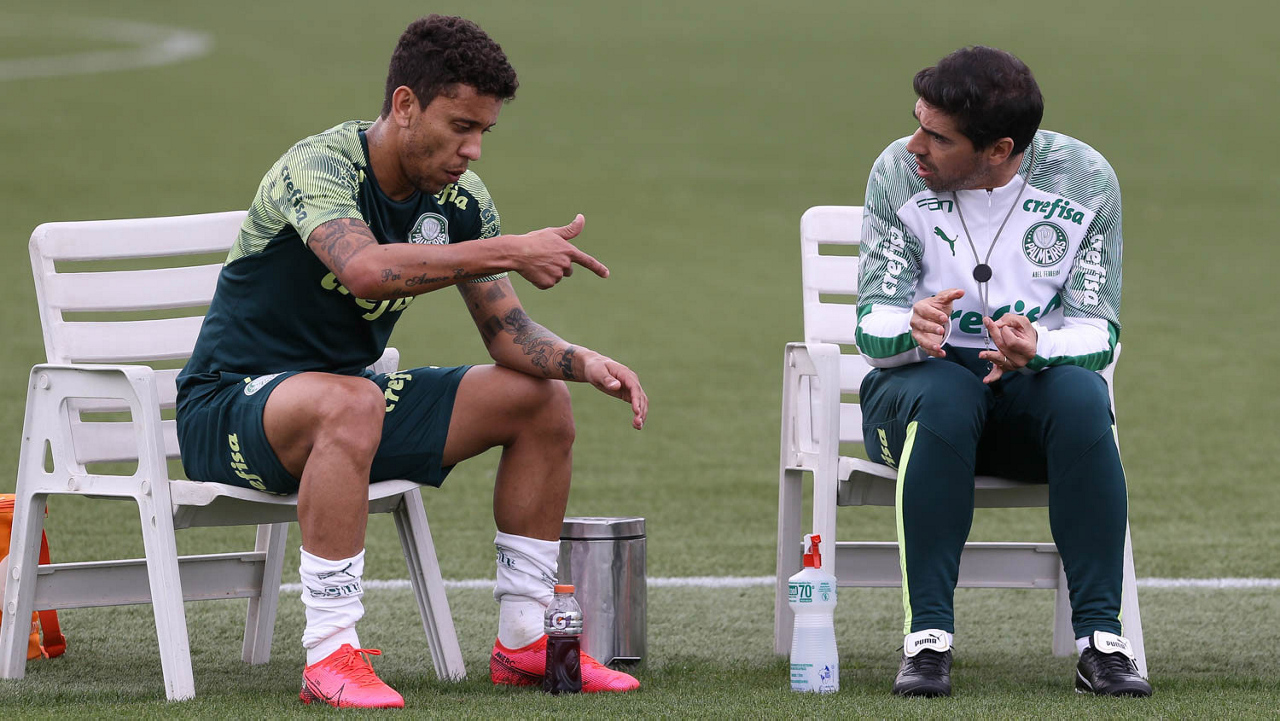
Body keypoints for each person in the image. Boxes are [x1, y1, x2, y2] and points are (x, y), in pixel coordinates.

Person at [175, 15, 648, 709]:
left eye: (483, 131)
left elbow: (507, 333)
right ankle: (330, 652)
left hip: (350, 408)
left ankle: (525, 640)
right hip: (228, 408)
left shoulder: (460, 200)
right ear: (404, 105)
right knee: (354, 400)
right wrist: (511, 248)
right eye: (460, 126)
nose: (473, 149)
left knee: (538, 399)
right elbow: (365, 271)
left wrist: (582, 361)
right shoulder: (321, 166)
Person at [855, 46, 1151, 698]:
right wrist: (911, 327)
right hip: (915, 399)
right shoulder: (898, 172)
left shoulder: (1084, 178)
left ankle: (1102, 643)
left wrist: (1039, 346)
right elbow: (871, 324)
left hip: (1026, 404)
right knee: (947, 395)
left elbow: (1100, 332)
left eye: (938, 137)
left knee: (1081, 396)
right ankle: (927, 640)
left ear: (999, 149)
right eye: (918, 123)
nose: (914, 146)